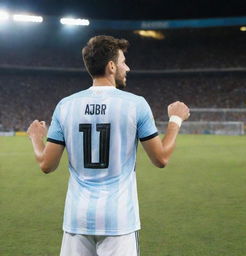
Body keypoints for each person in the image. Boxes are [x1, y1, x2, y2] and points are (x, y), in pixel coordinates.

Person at [27, 35, 190, 256]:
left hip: (77, 219)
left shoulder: (65, 106)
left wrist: (36, 139)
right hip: (119, 220)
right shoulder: (135, 104)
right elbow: (160, 158)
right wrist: (175, 120)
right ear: (111, 66)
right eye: (123, 61)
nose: (127, 67)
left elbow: (47, 164)